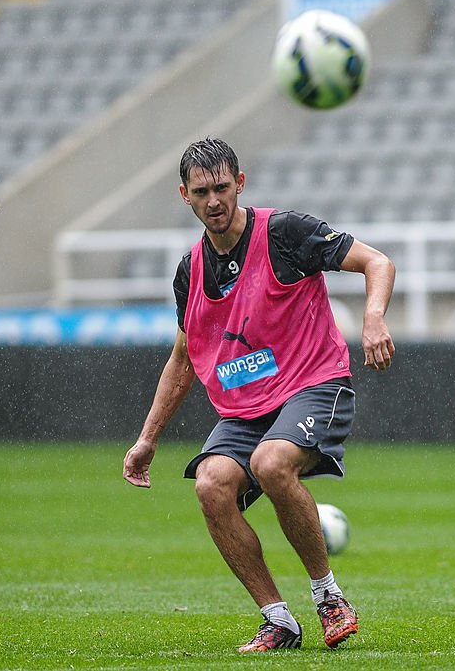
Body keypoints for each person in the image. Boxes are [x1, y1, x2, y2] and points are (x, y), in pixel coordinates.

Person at [123, 138, 396, 651]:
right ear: (184, 195)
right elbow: (183, 359)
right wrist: (147, 439)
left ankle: (328, 598)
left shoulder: (287, 233)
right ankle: (278, 620)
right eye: (201, 192)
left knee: (272, 463)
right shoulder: (191, 271)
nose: (214, 201)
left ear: (240, 183)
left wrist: (374, 318)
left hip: (314, 383)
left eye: (222, 187)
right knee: (210, 484)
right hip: (247, 406)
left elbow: (377, 263)